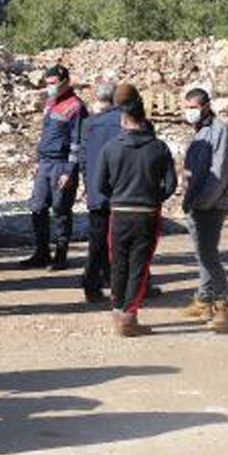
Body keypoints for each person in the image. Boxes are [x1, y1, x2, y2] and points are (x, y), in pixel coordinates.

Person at [96, 100, 177, 337]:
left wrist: (118, 197)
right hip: (146, 214)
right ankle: (129, 315)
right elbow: (171, 184)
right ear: (144, 119)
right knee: (139, 266)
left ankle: (117, 309)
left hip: (119, 214)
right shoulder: (159, 148)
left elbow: (100, 184)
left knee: (118, 263)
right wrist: (154, 198)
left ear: (123, 120)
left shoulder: (110, 148)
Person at [21, 65, 88, 271]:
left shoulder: (76, 107)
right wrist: (38, 162)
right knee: (37, 207)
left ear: (65, 82)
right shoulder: (51, 103)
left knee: (60, 210)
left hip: (61, 165)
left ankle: (61, 255)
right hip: (45, 163)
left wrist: (69, 170)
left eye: (53, 83)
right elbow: (47, 135)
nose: (49, 87)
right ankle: (41, 252)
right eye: (47, 83)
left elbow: (78, 142)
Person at [181, 88, 228, 333]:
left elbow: (219, 172)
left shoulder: (220, 130)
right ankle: (204, 299)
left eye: (192, 107)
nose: (189, 112)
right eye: (186, 107)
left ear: (205, 106)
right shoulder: (199, 132)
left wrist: (204, 202)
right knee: (202, 254)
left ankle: (223, 303)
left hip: (211, 205)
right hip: (195, 203)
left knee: (209, 255)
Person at [78, 82, 124, 303]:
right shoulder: (126, 122)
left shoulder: (89, 124)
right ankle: (120, 287)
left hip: (97, 192)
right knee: (123, 242)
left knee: (96, 242)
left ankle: (91, 285)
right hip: (123, 193)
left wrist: (89, 185)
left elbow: (83, 160)